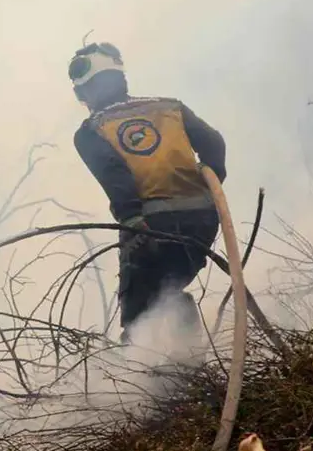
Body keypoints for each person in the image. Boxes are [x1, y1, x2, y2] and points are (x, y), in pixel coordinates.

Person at [67, 42, 228, 341]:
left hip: (147, 224)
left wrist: (130, 217)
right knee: (168, 289)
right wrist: (212, 177)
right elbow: (213, 143)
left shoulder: (90, 131)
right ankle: (189, 362)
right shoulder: (169, 107)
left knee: (138, 312)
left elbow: (114, 174)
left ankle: (136, 379)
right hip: (202, 220)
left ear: (86, 92)